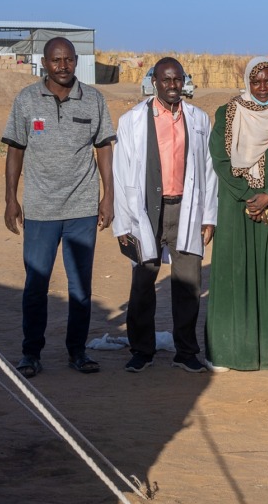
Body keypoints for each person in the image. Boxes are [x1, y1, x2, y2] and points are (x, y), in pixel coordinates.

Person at [3, 37, 115, 377]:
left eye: (68, 59)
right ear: (45, 62)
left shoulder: (93, 99)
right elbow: (15, 150)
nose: (62, 65)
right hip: (40, 210)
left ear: (76, 61)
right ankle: (30, 353)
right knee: (36, 285)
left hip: (81, 208)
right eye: (56, 60)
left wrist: (108, 196)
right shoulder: (26, 99)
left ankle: (78, 352)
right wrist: (11, 197)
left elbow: (104, 149)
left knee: (80, 286)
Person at [113, 57, 219, 374]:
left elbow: (209, 170)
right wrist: (122, 222)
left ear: (183, 82)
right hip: (145, 209)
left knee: (188, 283)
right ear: (155, 82)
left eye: (178, 80)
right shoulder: (132, 120)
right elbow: (120, 173)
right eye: (166, 80)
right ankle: (141, 350)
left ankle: (186, 352)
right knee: (143, 282)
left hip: (186, 208)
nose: (172, 86)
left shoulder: (199, 119)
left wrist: (208, 216)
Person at [206, 57, 268, 371]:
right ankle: (229, 352)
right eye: (257, 81)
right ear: (248, 82)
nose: (263, 88)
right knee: (235, 275)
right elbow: (220, 160)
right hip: (237, 209)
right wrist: (249, 195)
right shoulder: (227, 114)